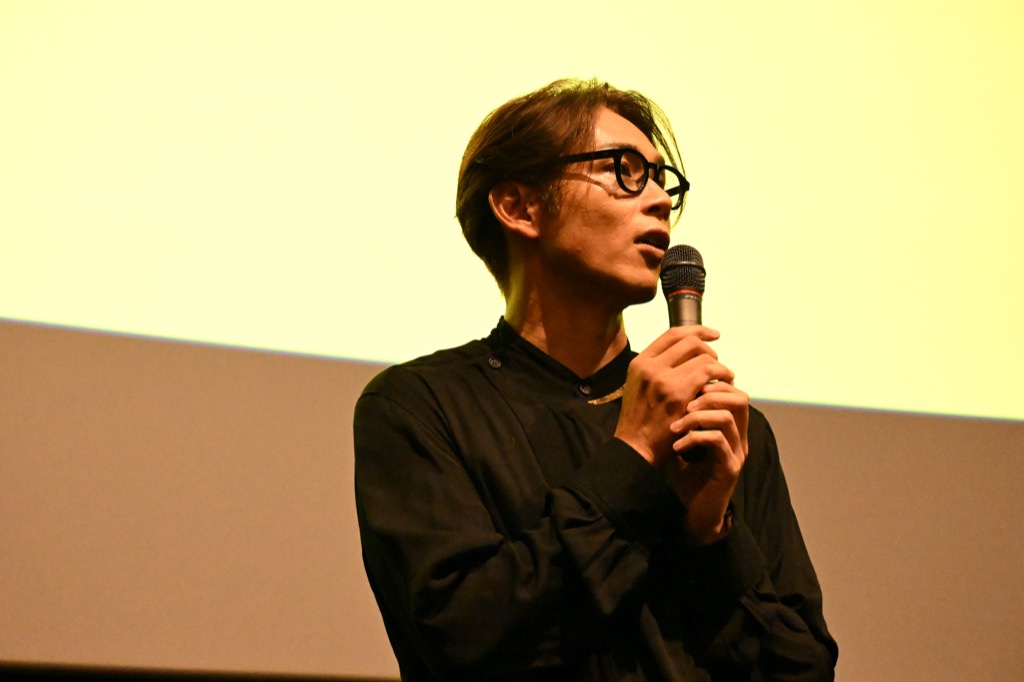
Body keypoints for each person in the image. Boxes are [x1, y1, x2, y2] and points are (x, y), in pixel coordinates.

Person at [353, 78, 838, 681]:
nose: (658, 200)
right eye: (625, 171)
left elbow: (802, 670)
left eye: (662, 181)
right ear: (519, 207)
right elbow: (462, 643)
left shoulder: (724, 428)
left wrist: (712, 535)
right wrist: (632, 457)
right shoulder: (422, 408)